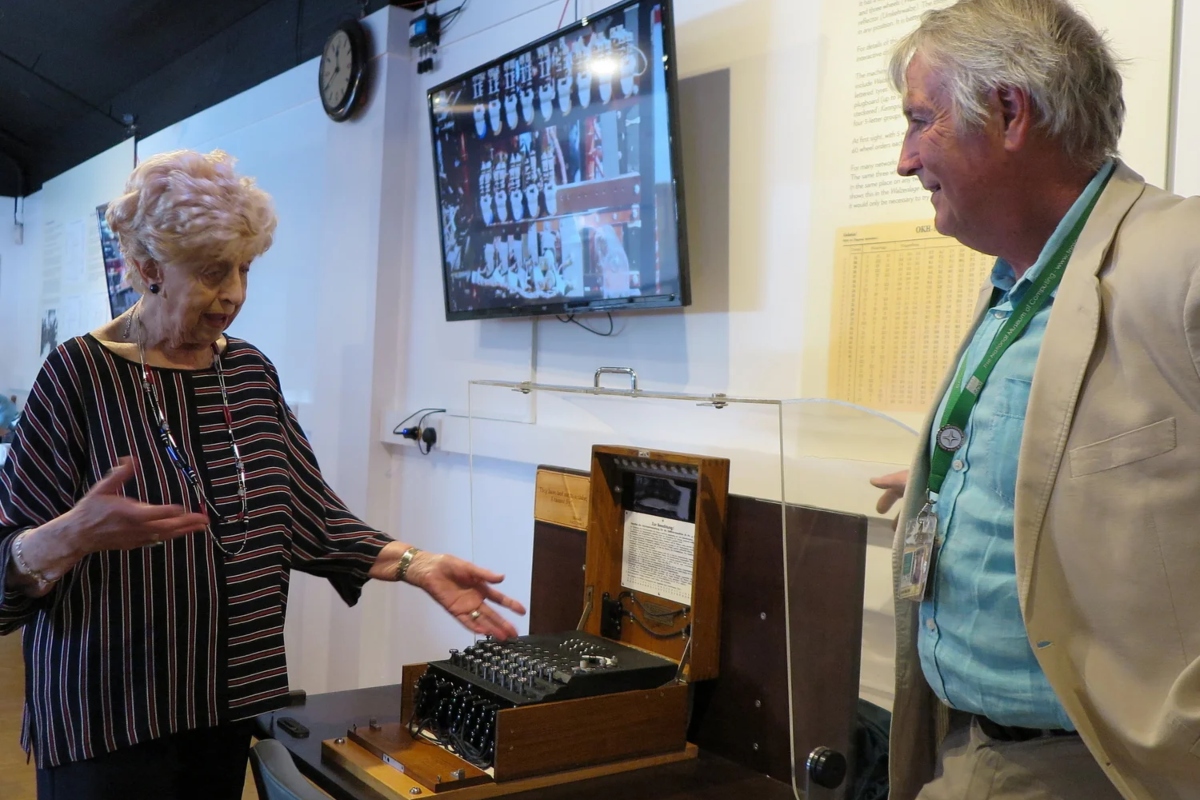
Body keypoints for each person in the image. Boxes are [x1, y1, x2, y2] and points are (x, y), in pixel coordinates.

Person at [0, 149, 526, 800]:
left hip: (225, 711)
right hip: (110, 723)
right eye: (213, 271)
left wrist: (414, 562)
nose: (234, 295)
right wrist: (67, 536)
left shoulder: (249, 373)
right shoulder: (78, 377)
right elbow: (7, 562)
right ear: (145, 268)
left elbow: (309, 516)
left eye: (246, 269)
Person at [870, 2, 1200, 798]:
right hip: (965, 748)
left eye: (921, 121)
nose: (906, 160)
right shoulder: (1017, 284)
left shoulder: (1184, 259)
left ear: (1010, 112)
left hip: (1105, 770)